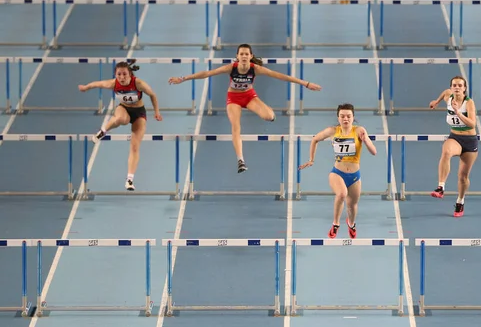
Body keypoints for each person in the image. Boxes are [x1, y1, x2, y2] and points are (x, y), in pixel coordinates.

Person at [168, 43, 322, 173]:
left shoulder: (256, 69)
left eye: (246, 54)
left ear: (250, 56)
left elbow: (281, 76)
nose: (243, 56)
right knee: (236, 126)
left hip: (249, 96)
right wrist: (183, 78)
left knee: (269, 116)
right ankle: (241, 160)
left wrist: (306, 83)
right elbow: (207, 73)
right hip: (233, 99)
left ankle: (266, 111)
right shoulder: (231, 67)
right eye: (241, 53)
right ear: (237, 56)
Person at [78, 59, 163, 191]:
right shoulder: (114, 83)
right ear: (115, 75)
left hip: (139, 113)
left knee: (135, 146)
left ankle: (129, 180)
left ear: (130, 74)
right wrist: (85, 87)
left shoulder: (138, 83)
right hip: (123, 108)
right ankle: (102, 131)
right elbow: (97, 84)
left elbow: (153, 95)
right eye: (119, 74)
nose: (122, 77)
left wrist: (157, 112)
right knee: (120, 119)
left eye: (124, 74)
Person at [299, 103, 377, 239]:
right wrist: (311, 159)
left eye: (348, 116)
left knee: (352, 205)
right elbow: (315, 139)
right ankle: (335, 224)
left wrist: (365, 141)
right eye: (342, 116)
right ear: (338, 117)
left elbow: (374, 152)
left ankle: (351, 224)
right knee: (341, 194)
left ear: (353, 117)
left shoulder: (359, 131)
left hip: (354, 176)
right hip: (337, 173)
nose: (345, 119)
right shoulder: (332, 131)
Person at [428, 75, 478, 217]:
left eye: (460, 85)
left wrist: (457, 112)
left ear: (464, 88)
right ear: (452, 88)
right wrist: (436, 102)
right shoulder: (449, 96)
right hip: (455, 137)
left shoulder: (469, 103)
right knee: (446, 151)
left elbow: (472, 124)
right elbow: (444, 92)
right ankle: (441, 187)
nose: (457, 88)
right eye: (454, 85)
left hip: (469, 140)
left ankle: (460, 201)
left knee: (462, 177)